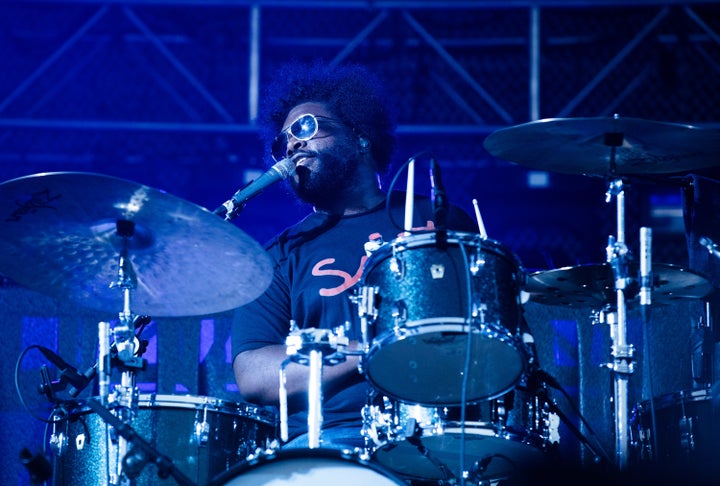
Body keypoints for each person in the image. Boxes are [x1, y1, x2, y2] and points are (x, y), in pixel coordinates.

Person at [230, 60, 488, 456]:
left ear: (361, 137)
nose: (293, 145)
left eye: (306, 129)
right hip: (331, 439)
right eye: (283, 141)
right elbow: (252, 375)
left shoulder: (437, 219)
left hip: (443, 428)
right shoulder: (282, 253)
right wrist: (371, 347)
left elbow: (487, 324)